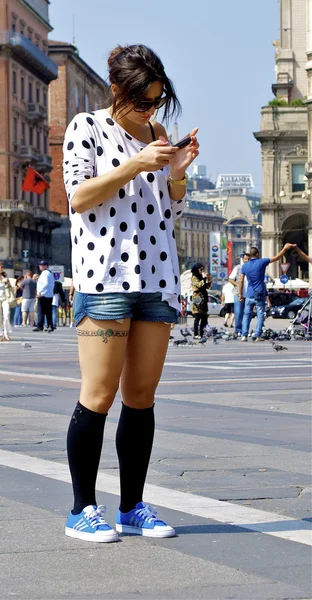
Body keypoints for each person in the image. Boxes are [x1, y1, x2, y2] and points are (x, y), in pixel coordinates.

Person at [62, 43, 199, 542]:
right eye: (142, 102)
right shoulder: (87, 126)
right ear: (116, 90)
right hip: (105, 278)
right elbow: (78, 196)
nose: (151, 111)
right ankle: (82, 508)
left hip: (158, 278)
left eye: (158, 101)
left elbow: (172, 213)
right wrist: (135, 164)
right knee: (97, 396)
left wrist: (177, 172)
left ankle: (132, 506)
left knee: (141, 397)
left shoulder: (158, 133)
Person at [239, 243, 296, 342]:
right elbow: (277, 257)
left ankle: (244, 335)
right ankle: (257, 335)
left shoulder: (245, 266)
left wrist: (240, 294)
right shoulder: (262, 262)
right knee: (260, 314)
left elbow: (240, 281)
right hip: (259, 293)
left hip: (249, 294)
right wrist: (285, 248)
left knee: (246, 315)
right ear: (257, 254)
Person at [229, 253, 250, 336]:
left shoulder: (251, 268)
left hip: (248, 294)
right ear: (243, 259)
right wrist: (238, 284)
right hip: (238, 293)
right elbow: (230, 279)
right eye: (246, 259)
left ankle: (245, 330)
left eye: (249, 259)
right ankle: (238, 330)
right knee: (238, 313)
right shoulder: (238, 268)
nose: (247, 261)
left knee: (247, 313)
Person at [33, 261, 55, 332]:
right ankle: (50, 325)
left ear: (46, 266)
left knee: (41, 311)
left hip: (43, 294)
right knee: (48, 311)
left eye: (42, 265)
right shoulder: (50, 273)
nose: (40, 266)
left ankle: (40, 326)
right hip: (49, 295)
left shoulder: (44, 273)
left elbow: (45, 283)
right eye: (40, 265)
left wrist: (40, 292)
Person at [191, 263, 211, 338]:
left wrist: (208, 279)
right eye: (200, 269)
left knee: (204, 316)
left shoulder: (202, 277)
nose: (202, 271)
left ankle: (202, 333)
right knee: (197, 316)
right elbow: (199, 285)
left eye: (203, 269)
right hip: (197, 297)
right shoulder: (194, 277)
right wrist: (204, 278)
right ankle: (196, 334)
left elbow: (208, 286)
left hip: (204, 296)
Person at [0, 266, 13, 341]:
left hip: (5, 299)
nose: (1, 268)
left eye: (2, 267)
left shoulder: (5, 277)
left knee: (7, 315)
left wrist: (7, 283)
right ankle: (0, 334)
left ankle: (6, 333)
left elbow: (10, 288)